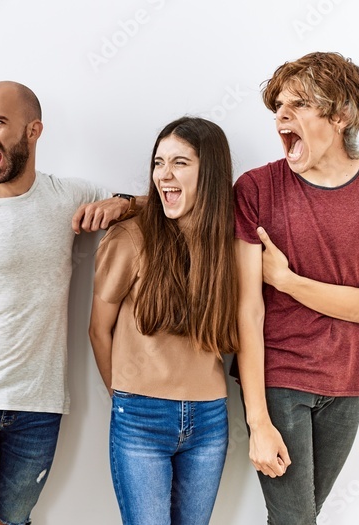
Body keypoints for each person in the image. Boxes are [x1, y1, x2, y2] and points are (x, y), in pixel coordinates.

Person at [0, 81, 133, 525]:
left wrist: (122, 203)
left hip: (40, 405)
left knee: (12, 523)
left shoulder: (68, 196)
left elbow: (163, 207)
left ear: (33, 131)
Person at [235, 52, 359, 523]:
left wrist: (286, 280)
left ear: (341, 115)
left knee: (300, 517)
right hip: (281, 378)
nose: (281, 115)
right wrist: (257, 421)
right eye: (278, 105)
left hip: (348, 383)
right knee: (296, 520)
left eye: (299, 103)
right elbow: (248, 314)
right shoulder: (255, 189)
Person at [89, 117, 238, 525]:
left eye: (180, 163)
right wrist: (124, 397)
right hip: (140, 417)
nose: (164, 175)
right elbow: (98, 330)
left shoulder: (229, 245)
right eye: (158, 163)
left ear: (209, 172)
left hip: (210, 419)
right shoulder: (130, 239)